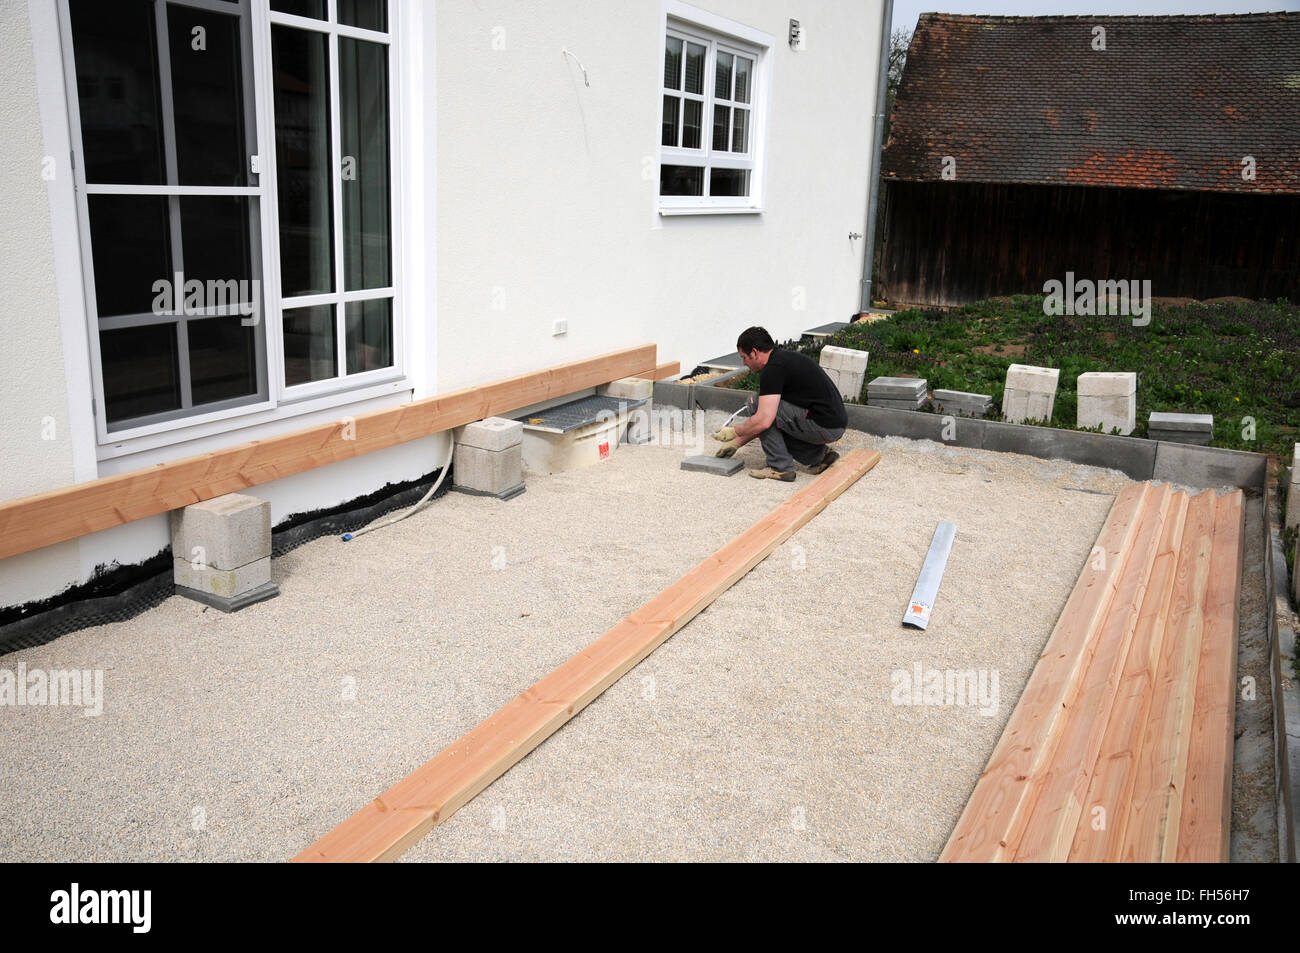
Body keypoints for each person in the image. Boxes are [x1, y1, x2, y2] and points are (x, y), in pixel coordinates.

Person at [712, 327, 846, 481]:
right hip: (832, 424)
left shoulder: (773, 370)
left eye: (744, 357)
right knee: (768, 412)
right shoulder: (783, 359)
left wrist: (735, 431)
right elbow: (771, 420)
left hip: (825, 426)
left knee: (755, 403)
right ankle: (821, 457)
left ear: (754, 352)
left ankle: (780, 467)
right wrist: (738, 442)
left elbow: (763, 419)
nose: (744, 363)